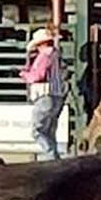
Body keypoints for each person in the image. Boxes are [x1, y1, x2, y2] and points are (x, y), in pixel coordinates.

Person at [22, 27, 64, 160]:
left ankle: (51, 156)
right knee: (50, 131)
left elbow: (37, 76)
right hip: (57, 95)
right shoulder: (56, 54)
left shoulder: (44, 55)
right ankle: (54, 158)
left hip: (44, 96)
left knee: (38, 131)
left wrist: (24, 74)